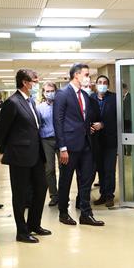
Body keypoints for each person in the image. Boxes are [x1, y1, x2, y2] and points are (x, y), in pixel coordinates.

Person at [0, 69, 51, 243]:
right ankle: (22, 231)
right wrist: (7, 149)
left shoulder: (30, 101)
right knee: (20, 194)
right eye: (35, 81)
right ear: (25, 83)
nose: (36, 84)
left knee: (41, 188)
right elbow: (0, 130)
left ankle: (34, 224)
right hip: (19, 156)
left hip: (36, 154)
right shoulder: (13, 102)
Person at [53, 63, 105, 226]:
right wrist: (62, 147)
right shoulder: (62, 94)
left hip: (86, 145)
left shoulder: (85, 95)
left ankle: (85, 213)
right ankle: (63, 213)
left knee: (86, 179)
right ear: (76, 75)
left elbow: (85, 118)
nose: (88, 78)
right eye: (86, 74)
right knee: (66, 180)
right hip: (69, 146)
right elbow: (58, 121)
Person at [91, 75, 117, 208]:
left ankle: (109, 196)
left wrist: (103, 124)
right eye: (100, 82)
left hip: (110, 140)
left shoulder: (114, 98)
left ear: (108, 85)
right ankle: (102, 194)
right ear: (96, 85)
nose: (102, 84)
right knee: (100, 169)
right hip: (96, 141)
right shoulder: (91, 98)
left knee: (109, 169)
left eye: (105, 83)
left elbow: (117, 120)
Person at [36, 81, 60, 207]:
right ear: (43, 93)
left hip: (61, 140)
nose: (50, 93)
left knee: (64, 168)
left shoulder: (61, 105)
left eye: (52, 91)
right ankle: (54, 195)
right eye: (47, 91)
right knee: (49, 169)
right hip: (46, 140)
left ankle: (63, 194)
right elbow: (38, 125)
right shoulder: (39, 108)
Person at [122, 82, 132, 156]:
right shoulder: (123, 97)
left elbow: (128, 109)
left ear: (125, 89)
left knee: (128, 135)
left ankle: (128, 151)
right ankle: (124, 151)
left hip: (128, 120)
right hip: (123, 120)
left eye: (122, 89)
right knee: (124, 135)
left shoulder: (129, 97)